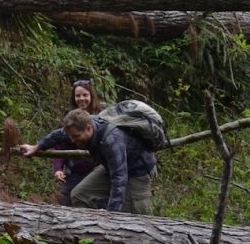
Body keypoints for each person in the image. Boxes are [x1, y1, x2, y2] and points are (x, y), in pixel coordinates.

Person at [18, 108, 156, 215]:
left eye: (76, 137)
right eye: (71, 137)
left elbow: (119, 179)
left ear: (89, 128)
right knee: (79, 195)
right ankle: (89, 238)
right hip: (111, 166)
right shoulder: (80, 127)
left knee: (131, 215)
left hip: (138, 172)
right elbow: (58, 135)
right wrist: (36, 147)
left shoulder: (111, 141)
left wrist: (112, 216)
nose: (73, 140)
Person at [54, 80, 102, 206]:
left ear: (91, 96)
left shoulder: (101, 118)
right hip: (74, 173)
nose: (81, 99)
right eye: (78, 96)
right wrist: (58, 168)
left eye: (85, 95)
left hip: (98, 172)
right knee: (67, 203)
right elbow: (60, 146)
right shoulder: (68, 119)